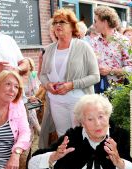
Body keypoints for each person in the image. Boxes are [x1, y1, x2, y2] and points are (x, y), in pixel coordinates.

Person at [28, 94, 132, 169]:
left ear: (108, 116)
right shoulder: (72, 138)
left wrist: (120, 163)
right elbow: (32, 164)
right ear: (82, 122)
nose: (97, 124)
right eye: (90, 119)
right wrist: (54, 156)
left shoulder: (121, 138)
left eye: (101, 116)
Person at [39, 8, 100, 138]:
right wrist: (48, 84)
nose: (57, 25)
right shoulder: (49, 50)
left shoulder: (83, 47)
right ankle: (67, 159)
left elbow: (95, 76)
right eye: (55, 23)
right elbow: (42, 75)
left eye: (62, 22)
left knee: (81, 136)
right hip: (55, 101)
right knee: (63, 137)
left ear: (72, 26)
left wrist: (71, 85)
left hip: (78, 101)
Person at [91, 6, 132, 93]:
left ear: (105, 22)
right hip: (97, 91)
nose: (94, 24)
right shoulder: (94, 42)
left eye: (95, 21)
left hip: (117, 93)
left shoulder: (123, 41)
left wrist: (111, 71)